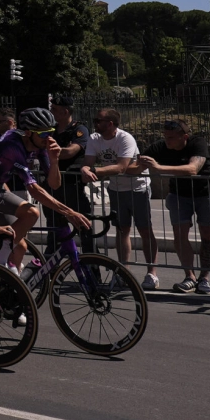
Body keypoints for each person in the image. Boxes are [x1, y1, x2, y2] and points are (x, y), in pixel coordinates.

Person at [0, 107, 89, 272]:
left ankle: (8, 289)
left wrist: (54, 162)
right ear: (27, 133)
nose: (48, 138)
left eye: (51, 132)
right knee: (32, 213)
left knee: (20, 247)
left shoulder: (39, 144)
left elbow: (54, 184)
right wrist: (69, 212)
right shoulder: (11, 145)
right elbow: (34, 190)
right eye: (43, 134)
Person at [136, 119, 210, 294]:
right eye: (165, 136)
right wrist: (132, 165)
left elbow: (193, 169)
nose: (167, 140)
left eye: (171, 137)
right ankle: (190, 277)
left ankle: (204, 278)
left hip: (206, 193)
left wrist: (158, 167)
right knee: (180, 235)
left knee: (207, 235)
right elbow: (136, 166)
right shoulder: (160, 147)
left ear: (184, 137)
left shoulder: (197, 143)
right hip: (179, 194)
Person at [81, 108, 156, 290]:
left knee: (145, 230)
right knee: (122, 230)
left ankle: (152, 274)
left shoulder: (125, 138)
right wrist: (85, 168)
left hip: (137, 188)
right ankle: (123, 272)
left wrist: (95, 171)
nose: (95, 123)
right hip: (115, 189)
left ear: (110, 124)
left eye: (98, 120)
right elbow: (88, 162)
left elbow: (122, 166)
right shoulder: (94, 138)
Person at [51, 95, 93, 251]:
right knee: (54, 229)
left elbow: (70, 152)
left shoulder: (79, 129)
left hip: (72, 185)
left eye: (54, 109)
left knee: (83, 227)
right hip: (54, 185)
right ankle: (52, 271)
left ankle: (92, 269)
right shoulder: (52, 130)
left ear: (65, 111)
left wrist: (54, 152)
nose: (51, 111)